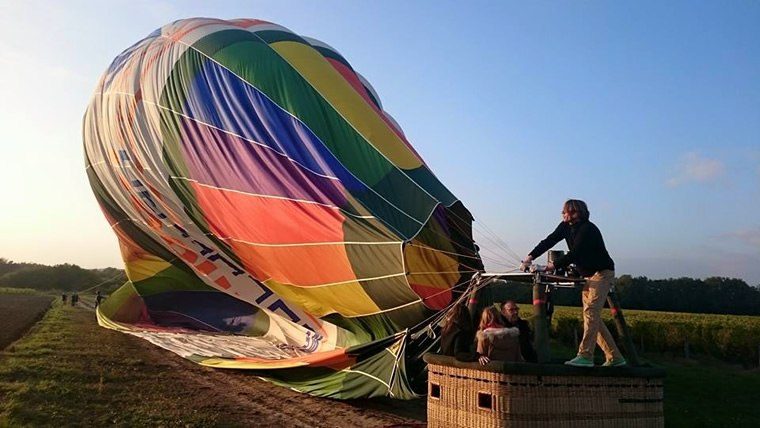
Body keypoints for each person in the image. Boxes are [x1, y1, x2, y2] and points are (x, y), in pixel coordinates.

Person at [522, 199, 626, 367]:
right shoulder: (564, 227)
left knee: (591, 312)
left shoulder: (588, 229)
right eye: (563, 212)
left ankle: (586, 356)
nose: (565, 215)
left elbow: (574, 253)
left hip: (602, 273)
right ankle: (615, 358)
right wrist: (529, 257)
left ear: (579, 213)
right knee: (592, 317)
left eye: (569, 212)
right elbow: (550, 240)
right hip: (588, 275)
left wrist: (549, 267)